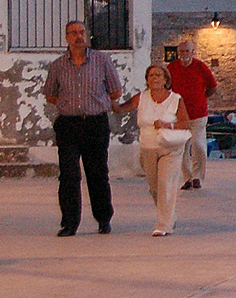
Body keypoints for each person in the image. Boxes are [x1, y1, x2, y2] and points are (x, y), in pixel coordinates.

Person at [43, 20, 125, 237]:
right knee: (69, 175)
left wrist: (94, 100)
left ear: (86, 35)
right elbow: (50, 95)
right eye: (73, 33)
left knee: (97, 174)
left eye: (81, 32)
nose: (78, 37)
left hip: (95, 123)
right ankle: (69, 223)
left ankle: (103, 219)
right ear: (66, 37)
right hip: (68, 125)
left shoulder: (102, 60)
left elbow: (115, 91)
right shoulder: (58, 65)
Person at [118, 64, 192, 236]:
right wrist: (107, 98)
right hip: (148, 148)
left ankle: (163, 224)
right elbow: (121, 108)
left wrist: (168, 125)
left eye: (158, 75)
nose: (155, 78)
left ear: (166, 79)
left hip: (170, 148)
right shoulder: (141, 97)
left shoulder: (175, 99)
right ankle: (169, 216)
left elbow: (186, 123)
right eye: (151, 75)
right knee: (154, 187)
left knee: (166, 184)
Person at [167, 39, 217, 190]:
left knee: (199, 146)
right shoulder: (172, 67)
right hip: (180, 114)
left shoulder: (200, 67)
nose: (184, 54)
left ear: (192, 52)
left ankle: (197, 176)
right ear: (177, 53)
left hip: (198, 114)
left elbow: (212, 86)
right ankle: (187, 177)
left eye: (187, 51)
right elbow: (167, 87)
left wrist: (201, 98)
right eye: (182, 51)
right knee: (181, 147)